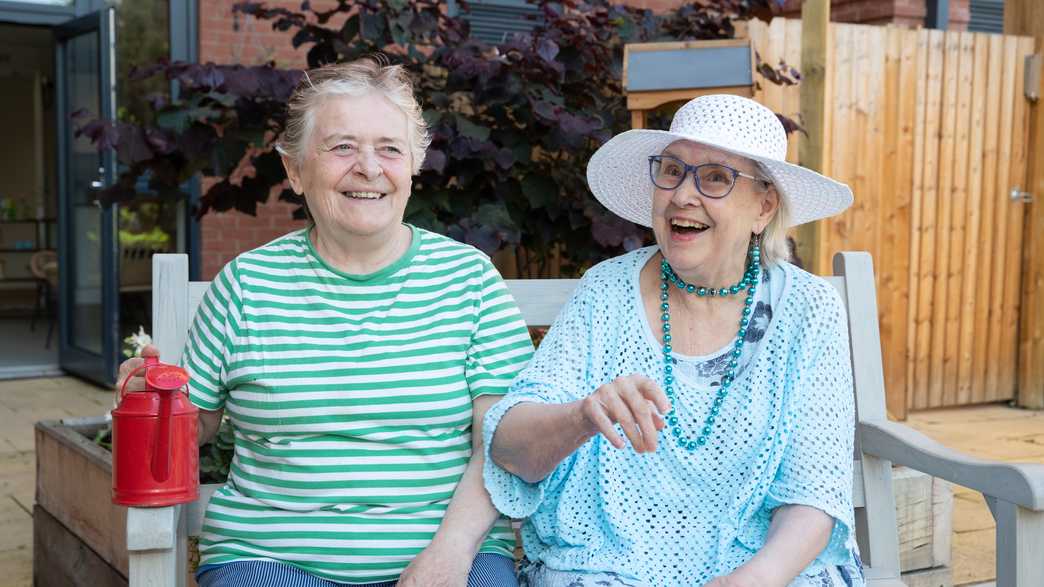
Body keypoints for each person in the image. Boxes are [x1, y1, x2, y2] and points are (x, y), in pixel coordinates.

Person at [117, 56, 533, 587]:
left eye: (389, 148)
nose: (368, 167)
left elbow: (499, 441)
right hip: (269, 559)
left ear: (413, 167)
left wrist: (449, 553)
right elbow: (190, 427)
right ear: (294, 170)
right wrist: (147, 402)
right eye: (342, 147)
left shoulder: (469, 281)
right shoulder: (246, 287)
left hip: (452, 555)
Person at [483, 94, 863, 587]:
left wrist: (751, 579)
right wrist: (580, 415)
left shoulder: (810, 310)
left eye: (716, 178)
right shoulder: (605, 291)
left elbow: (813, 493)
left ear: (764, 206)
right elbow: (510, 448)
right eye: (672, 170)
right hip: (607, 570)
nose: (684, 195)